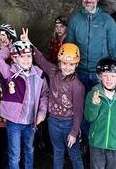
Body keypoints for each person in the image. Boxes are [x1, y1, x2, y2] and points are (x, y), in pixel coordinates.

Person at [0, 33, 49, 169]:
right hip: (14, 122)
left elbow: (44, 95)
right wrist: (11, 46)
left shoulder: (39, 74)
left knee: (29, 150)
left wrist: (42, 113)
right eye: (21, 56)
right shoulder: (9, 73)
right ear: (14, 58)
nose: (26, 59)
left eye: (29, 56)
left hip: (31, 122)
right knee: (14, 154)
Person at [30, 38, 85, 169]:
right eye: (64, 63)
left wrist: (74, 132)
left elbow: (78, 112)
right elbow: (41, 60)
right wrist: (29, 44)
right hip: (53, 121)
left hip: (69, 124)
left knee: (74, 154)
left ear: (76, 65)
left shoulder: (78, 86)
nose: (67, 67)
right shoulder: (53, 72)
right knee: (58, 152)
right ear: (59, 62)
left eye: (71, 64)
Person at [66, 0, 116, 91]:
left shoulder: (107, 20)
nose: (88, 0)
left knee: (100, 105)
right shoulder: (75, 19)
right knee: (80, 104)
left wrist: (115, 72)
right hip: (79, 72)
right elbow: (69, 46)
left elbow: (114, 49)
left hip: (101, 73)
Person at [84, 57, 116, 169]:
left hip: (115, 145)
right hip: (96, 144)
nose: (109, 79)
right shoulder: (93, 95)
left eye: (112, 75)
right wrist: (94, 105)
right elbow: (89, 118)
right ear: (99, 77)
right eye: (105, 75)